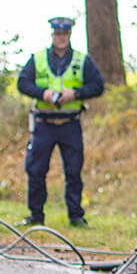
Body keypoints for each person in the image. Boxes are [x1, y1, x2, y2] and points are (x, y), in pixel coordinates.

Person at [16, 16, 105, 227]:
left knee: (74, 171)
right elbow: (22, 83)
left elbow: (98, 86)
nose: (61, 38)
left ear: (69, 35)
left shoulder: (82, 60)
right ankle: (35, 215)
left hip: (70, 123)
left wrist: (76, 93)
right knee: (36, 170)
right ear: (52, 35)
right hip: (44, 124)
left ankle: (76, 216)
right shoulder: (37, 58)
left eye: (64, 34)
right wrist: (43, 93)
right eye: (57, 34)